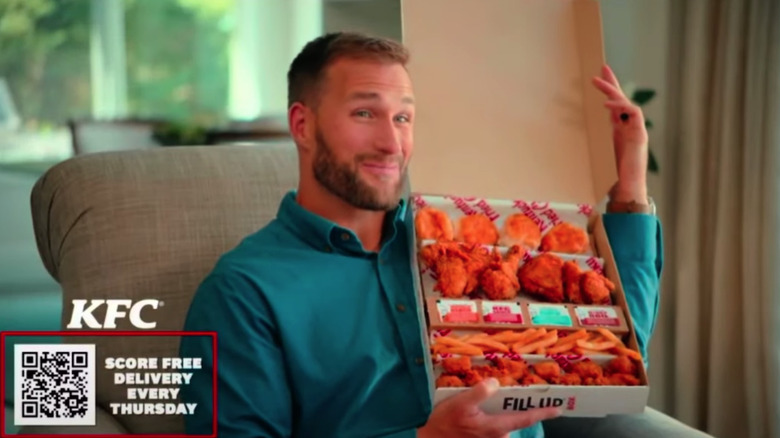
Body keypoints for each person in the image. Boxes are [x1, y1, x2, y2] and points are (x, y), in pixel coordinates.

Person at [179, 32, 662, 438]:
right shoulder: (243, 292)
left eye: (403, 117)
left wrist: (631, 183)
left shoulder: (472, 248)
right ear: (302, 125)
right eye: (365, 114)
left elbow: (618, 353)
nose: (392, 143)